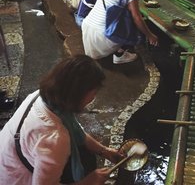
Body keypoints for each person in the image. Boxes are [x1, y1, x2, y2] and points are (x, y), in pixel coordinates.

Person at [0, 55, 123, 185]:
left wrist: (104, 151)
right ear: (77, 94)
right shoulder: (55, 139)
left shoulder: (42, 97)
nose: (93, 97)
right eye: (93, 92)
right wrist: (89, 181)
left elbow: (75, 130)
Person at [82, 0, 158, 64]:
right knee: (135, 23)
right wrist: (150, 36)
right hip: (101, 36)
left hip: (87, 29)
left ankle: (114, 51)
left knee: (123, 13)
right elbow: (137, 18)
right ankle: (119, 55)